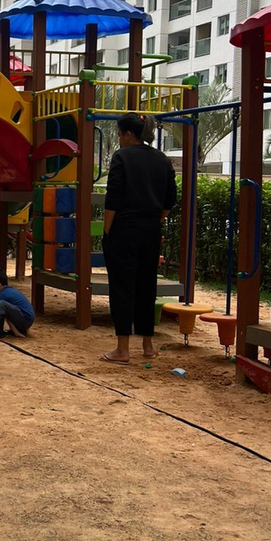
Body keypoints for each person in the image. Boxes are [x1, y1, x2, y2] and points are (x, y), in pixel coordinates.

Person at [102, 111, 177, 364]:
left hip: (124, 229)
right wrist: (156, 219)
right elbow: (170, 198)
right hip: (150, 230)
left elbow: (113, 197)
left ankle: (122, 349)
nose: (119, 139)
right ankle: (147, 345)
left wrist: (108, 230)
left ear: (128, 134)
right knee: (147, 285)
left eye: (119, 134)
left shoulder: (121, 156)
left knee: (122, 287)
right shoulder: (161, 158)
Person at [0, 267, 35, 342]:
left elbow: (7, 316)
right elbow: (8, 315)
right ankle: (18, 330)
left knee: (1, 304)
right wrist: (15, 331)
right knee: (3, 305)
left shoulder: (2, 294)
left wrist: (15, 331)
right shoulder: (8, 290)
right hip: (27, 320)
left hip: (25, 319)